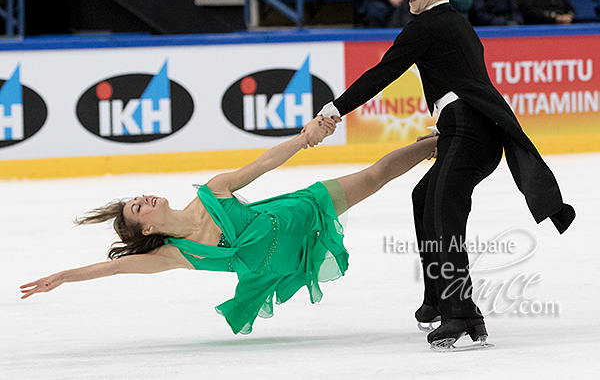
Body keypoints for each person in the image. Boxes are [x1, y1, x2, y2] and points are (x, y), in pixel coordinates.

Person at [316, 0, 575, 350]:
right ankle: (438, 299)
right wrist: (445, 132)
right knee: (426, 196)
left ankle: (460, 312)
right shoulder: (458, 25)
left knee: (441, 208)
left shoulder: (428, 25)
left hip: (468, 133)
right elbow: (464, 87)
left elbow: (382, 73)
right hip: (473, 133)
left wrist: (332, 110)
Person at [20, 116, 438, 336]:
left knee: (376, 174)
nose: (144, 198)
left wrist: (303, 138)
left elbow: (262, 164)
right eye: (137, 209)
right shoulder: (174, 255)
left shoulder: (212, 191)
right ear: (145, 231)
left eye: (138, 197)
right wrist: (62, 277)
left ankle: (440, 140)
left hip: (299, 210)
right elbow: (113, 268)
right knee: (377, 176)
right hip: (284, 262)